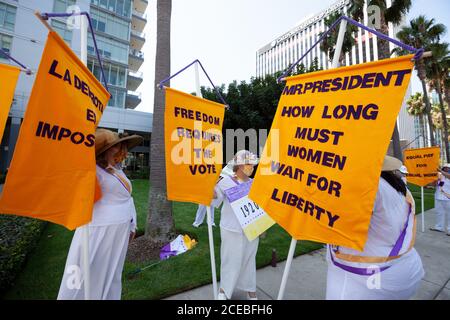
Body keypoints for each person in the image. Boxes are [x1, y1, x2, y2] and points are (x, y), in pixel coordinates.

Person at [58, 129, 143, 300]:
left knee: (113, 273)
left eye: (121, 144)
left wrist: (132, 225)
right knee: (88, 273)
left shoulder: (116, 169)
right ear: (105, 150)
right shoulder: (93, 171)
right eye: (116, 145)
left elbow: (127, 199)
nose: (121, 148)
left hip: (119, 229)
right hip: (99, 231)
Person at [326, 156, 424, 300]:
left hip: (367, 279)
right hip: (402, 267)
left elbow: (333, 222)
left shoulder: (366, 186)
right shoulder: (393, 183)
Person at [212, 150, 259, 300]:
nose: (251, 167)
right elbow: (215, 201)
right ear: (239, 165)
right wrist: (210, 189)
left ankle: (251, 290)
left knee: (249, 260)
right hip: (230, 228)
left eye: (252, 164)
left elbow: (259, 207)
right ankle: (224, 290)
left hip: (251, 230)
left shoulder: (255, 184)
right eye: (248, 164)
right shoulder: (225, 182)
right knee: (229, 259)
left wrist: (261, 228)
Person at [430, 164, 450, 236]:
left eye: (448, 168)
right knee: (439, 213)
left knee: (449, 214)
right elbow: (433, 185)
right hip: (438, 197)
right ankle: (439, 227)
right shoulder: (440, 175)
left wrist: (440, 171)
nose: (446, 169)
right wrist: (436, 180)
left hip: (448, 198)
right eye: (445, 168)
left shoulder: (447, 176)